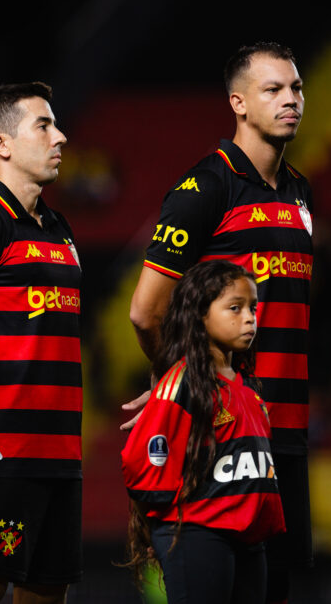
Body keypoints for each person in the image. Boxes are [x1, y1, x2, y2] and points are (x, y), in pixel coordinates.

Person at [127, 42, 312, 603]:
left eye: (297, 88)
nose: (291, 101)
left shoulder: (302, 191)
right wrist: (182, 389)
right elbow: (146, 311)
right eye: (273, 90)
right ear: (238, 103)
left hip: (288, 425)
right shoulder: (205, 188)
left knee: (275, 590)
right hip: (222, 433)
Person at [0, 82, 82, 604]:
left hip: (62, 453)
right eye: (44, 126)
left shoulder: (59, 227)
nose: (62, 137)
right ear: (2, 145)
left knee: (46, 592)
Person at [122, 261, 285, 604]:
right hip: (198, 536)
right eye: (235, 308)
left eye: (253, 307)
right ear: (199, 314)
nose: (249, 317)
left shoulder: (249, 388)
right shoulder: (180, 385)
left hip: (250, 540)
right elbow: (140, 468)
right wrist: (160, 531)